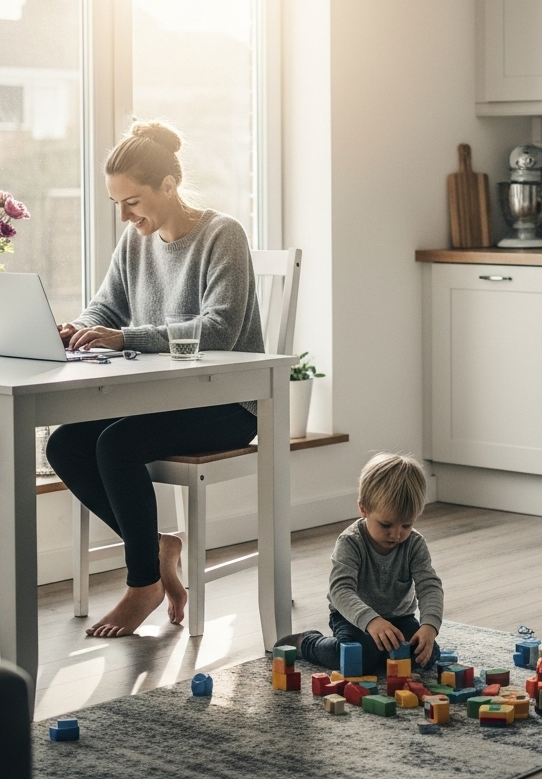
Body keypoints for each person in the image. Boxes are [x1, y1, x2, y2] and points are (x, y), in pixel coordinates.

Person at [46, 121, 264, 638]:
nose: (125, 215)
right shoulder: (135, 241)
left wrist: (124, 338)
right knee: (65, 445)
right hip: (165, 400)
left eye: (133, 201)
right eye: (118, 204)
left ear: (169, 184)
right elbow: (108, 304)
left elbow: (219, 328)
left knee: (117, 443)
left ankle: (143, 582)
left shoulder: (222, 234)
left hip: (229, 406)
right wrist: (80, 327)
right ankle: (159, 547)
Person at [279, 453, 443, 674]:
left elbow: (429, 586)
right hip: (354, 618)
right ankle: (307, 643)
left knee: (427, 655)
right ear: (364, 509)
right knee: (356, 657)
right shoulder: (350, 542)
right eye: (386, 525)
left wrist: (429, 627)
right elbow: (340, 590)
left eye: (406, 525)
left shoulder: (414, 543)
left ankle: (384, 654)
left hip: (399, 619)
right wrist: (372, 621)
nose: (396, 534)